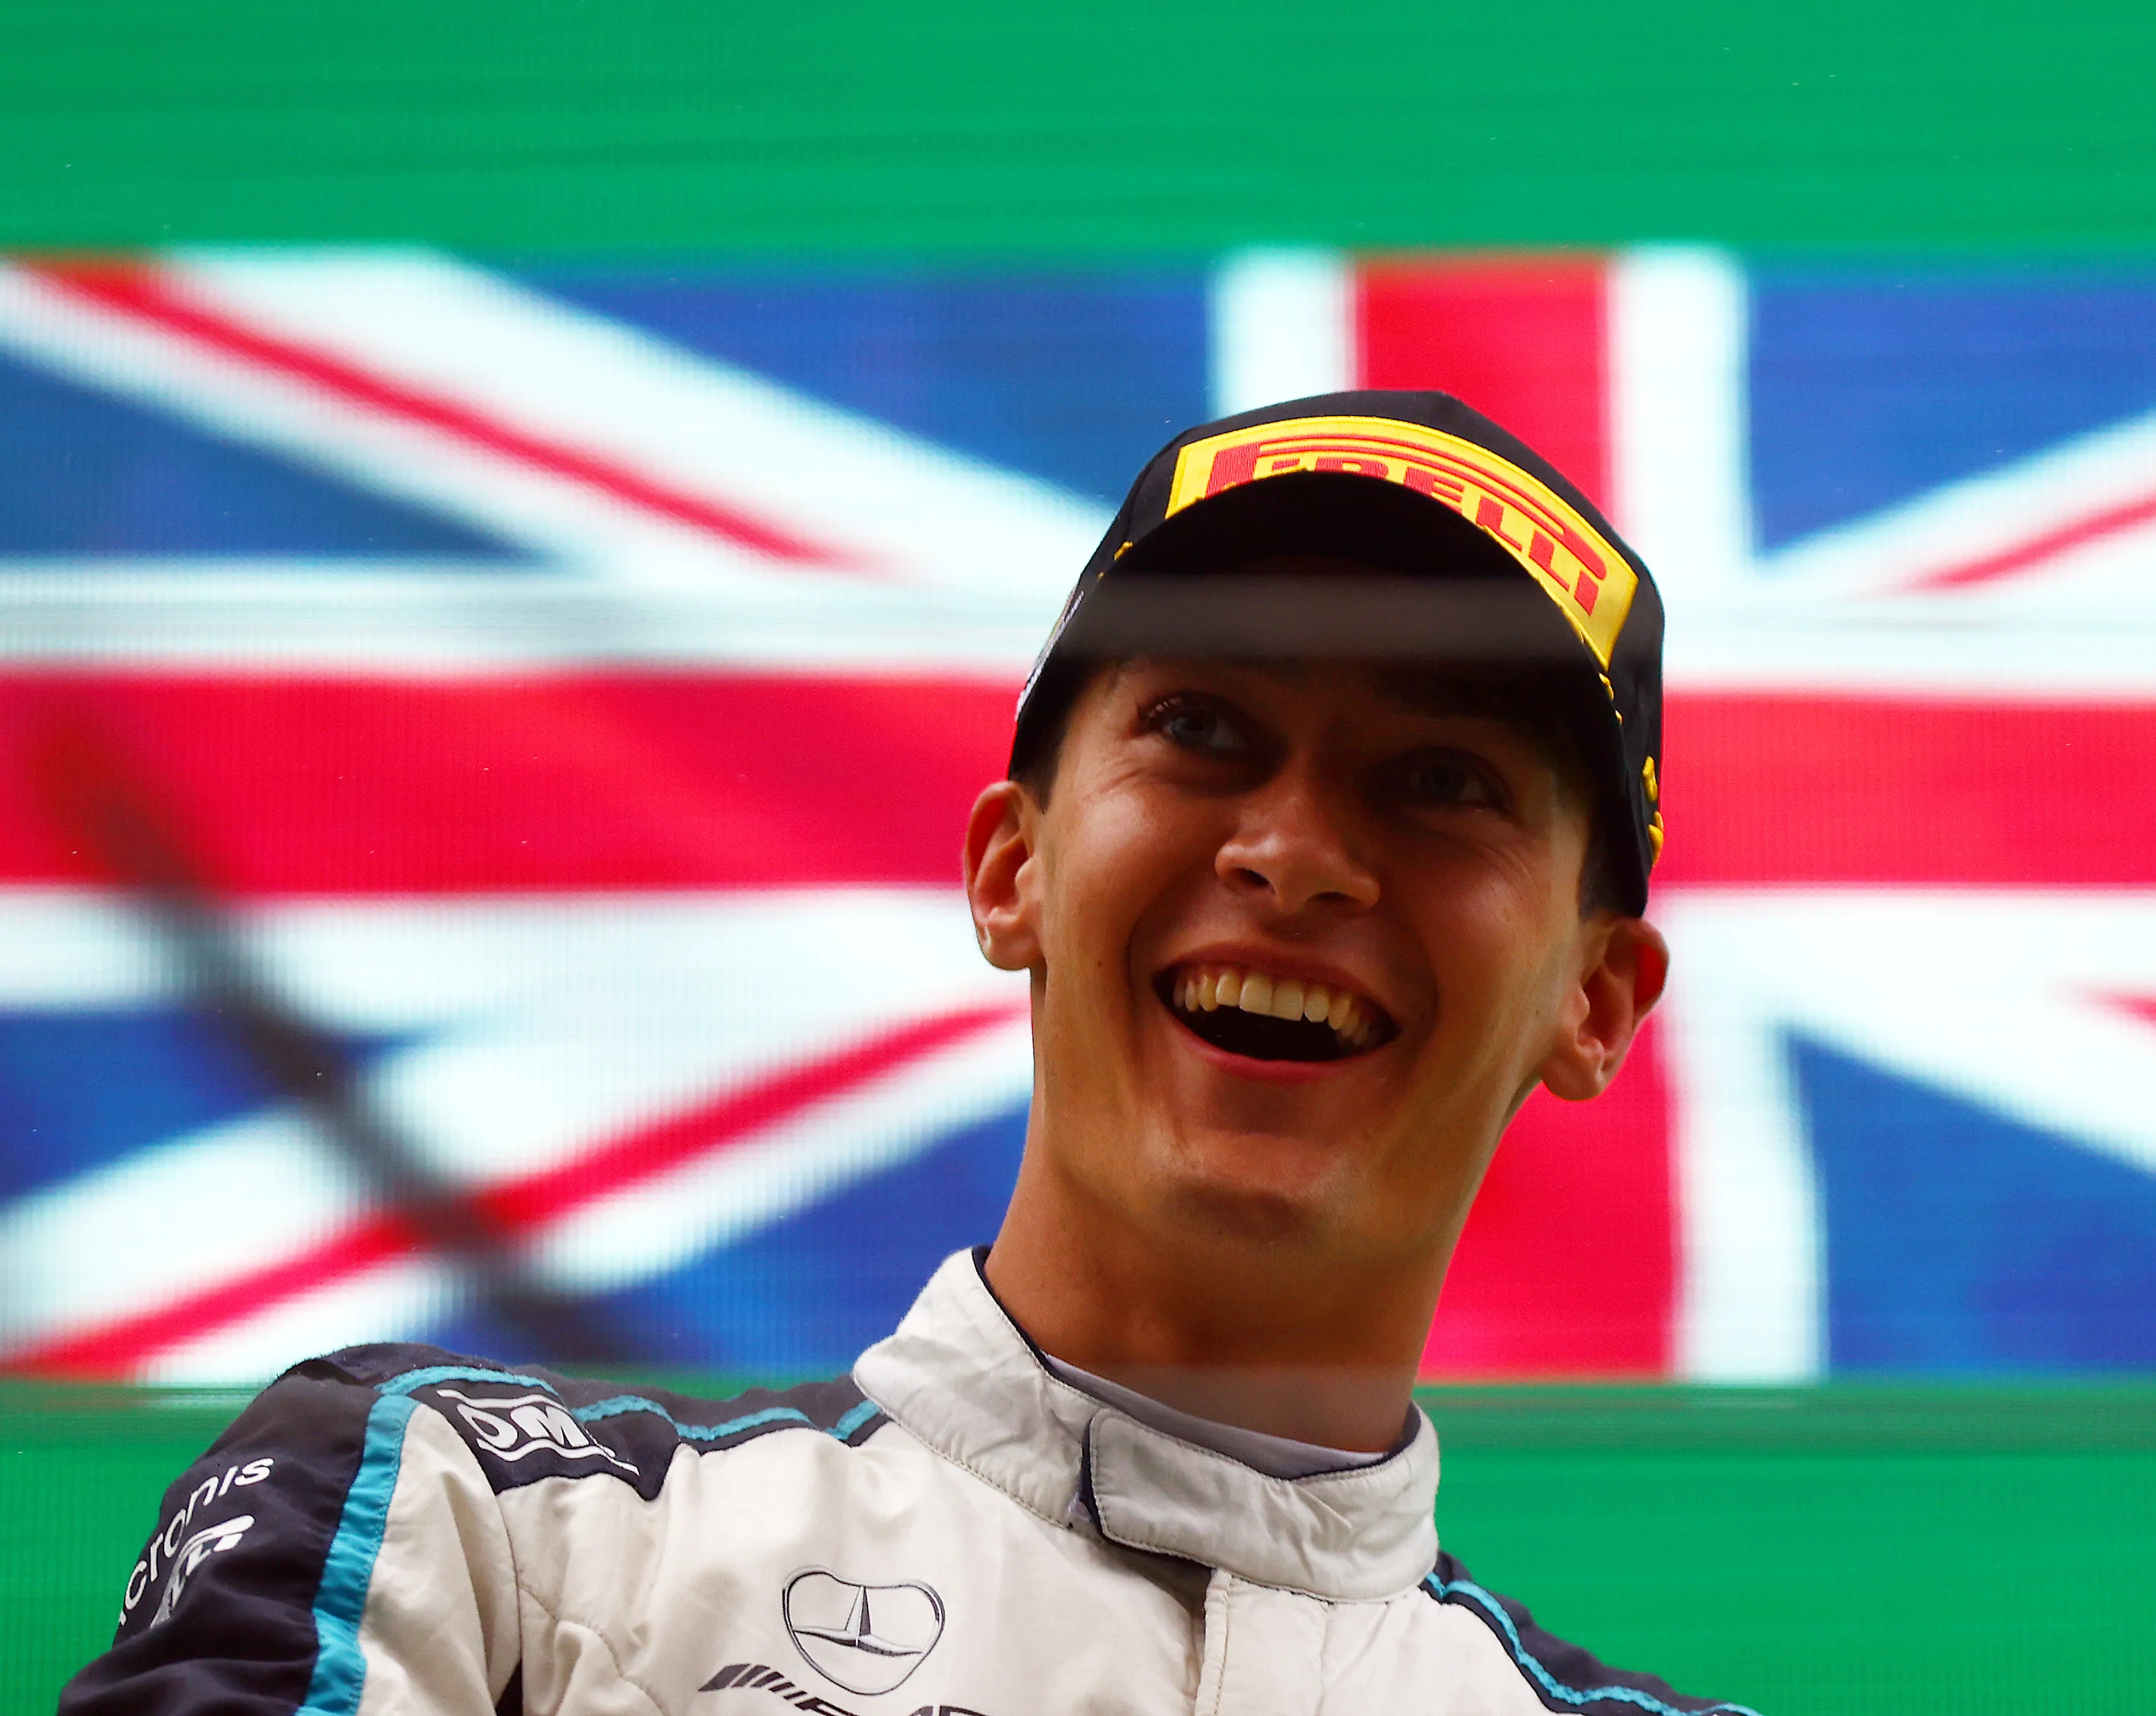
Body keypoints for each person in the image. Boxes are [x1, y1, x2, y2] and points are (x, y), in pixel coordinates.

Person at [63, 392, 1758, 1716]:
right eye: (1204, 729)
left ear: (1594, 999)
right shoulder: (478, 1523)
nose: (1296, 850)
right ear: (1011, 867)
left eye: (1444, 778)